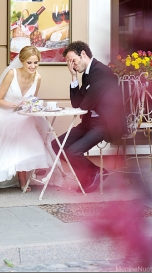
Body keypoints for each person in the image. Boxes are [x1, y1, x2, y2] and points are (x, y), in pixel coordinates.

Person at [0, 46, 61, 194]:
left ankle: (23, 177)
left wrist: (30, 107)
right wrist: (18, 106)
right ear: (22, 61)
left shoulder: (37, 77)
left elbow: (31, 101)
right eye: (29, 63)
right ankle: (15, 177)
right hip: (3, 112)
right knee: (20, 127)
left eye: (36, 63)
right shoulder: (12, 74)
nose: (33, 66)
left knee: (26, 125)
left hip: (22, 115)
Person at [52, 41, 126, 193]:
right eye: (68, 62)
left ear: (83, 54)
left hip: (105, 123)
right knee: (56, 145)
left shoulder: (100, 72)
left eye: (73, 60)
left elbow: (83, 105)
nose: (71, 65)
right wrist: (74, 77)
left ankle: (91, 175)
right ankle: (95, 172)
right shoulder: (86, 73)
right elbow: (77, 103)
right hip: (89, 122)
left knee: (73, 151)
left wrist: (83, 101)